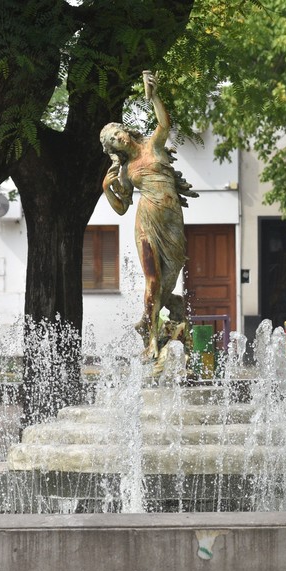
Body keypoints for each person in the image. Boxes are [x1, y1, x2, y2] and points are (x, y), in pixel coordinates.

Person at [100, 71, 197, 359]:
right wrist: (108, 189)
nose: (118, 139)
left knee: (171, 273)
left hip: (171, 219)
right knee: (152, 280)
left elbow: (164, 124)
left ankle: (166, 311)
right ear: (114, 149)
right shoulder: (126, 171)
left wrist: (154, 96)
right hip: (146, 220)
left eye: (117, 134)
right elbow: (122, 207)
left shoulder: (153, 146)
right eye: (113, 142)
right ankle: (152, 340)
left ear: (126, 131)